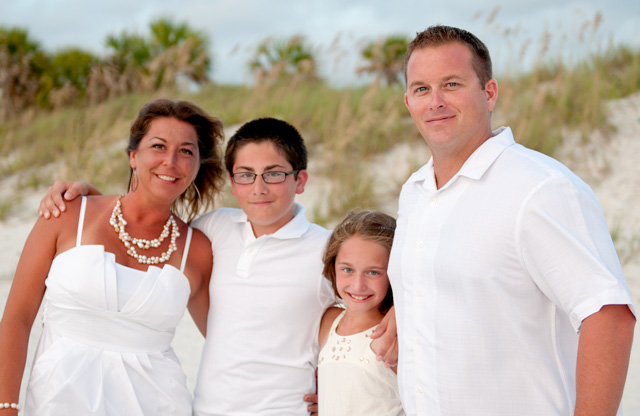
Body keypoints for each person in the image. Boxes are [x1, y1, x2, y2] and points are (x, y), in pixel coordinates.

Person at [36, 117, 399, 415]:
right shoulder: (214, 229)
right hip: (206, 409)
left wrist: (396, 313)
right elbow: (144, 219)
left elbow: (372, 295)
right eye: (245, 174)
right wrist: (89, 195)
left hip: (286, 409)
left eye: (274, 173)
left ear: (299, 180)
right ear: (232, 182)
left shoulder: (325, 250)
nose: (259, 187)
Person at [384, 24, 636, 415]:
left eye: (451, 85)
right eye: (421, 89)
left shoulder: (539, 188)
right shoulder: (415, 192)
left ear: (489, 93)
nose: (435, 102)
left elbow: (608, 316)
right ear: (407, 102)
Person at [0, 98, 225, 415]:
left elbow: (228, 341)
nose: (171, 161)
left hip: (160, 404)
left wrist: (316, 377)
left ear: (197, 165)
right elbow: (17, 318)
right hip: (58, 402)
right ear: (134, 156)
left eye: (186, 151)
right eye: (158, 146)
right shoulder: (69, 213)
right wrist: (6, 407)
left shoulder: (198, 249)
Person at [317, 210, 404, 416]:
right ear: (333, 265)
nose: (358, 285)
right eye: (347, 269)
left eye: (373, 272)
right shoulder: (329, 321)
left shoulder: (396, 335)